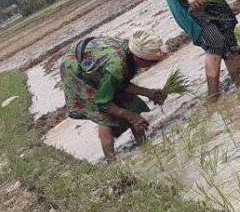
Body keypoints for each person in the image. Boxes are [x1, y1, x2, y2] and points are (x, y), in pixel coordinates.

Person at [60, 29, 168, 162]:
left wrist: (150, 93)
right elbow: (103, 103)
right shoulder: (117, 65)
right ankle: (112, 162)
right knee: (105, 117)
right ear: (138, 57)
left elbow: (121, 83)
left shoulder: (129, 54)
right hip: (76, 71)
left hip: (96, 64)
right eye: (151, 62)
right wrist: (132, 117)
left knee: (131, 104)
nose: (153, 64)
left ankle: (146, 147)